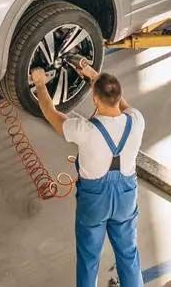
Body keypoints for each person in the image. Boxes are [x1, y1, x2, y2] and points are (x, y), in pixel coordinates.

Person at [32, 59, 145, 287]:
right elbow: (123, 105)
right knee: (128, 255)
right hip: (125, 196)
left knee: (88, 258)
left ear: (94, 99)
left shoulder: (84, 130)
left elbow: (49, 111)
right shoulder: (137, 121)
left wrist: (40, 84)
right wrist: (95, 76)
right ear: (119, 96)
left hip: (94, 201)